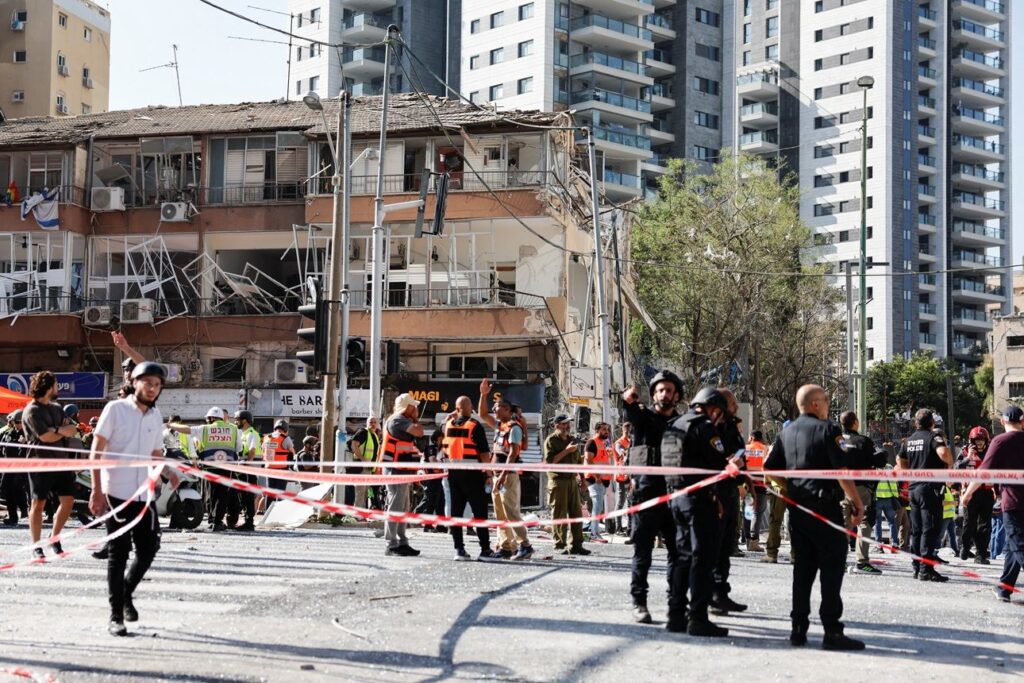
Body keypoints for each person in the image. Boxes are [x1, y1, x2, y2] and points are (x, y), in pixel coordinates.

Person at [765, 384, 866, 651]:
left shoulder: (785, 433)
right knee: (832, 569)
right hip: (825, 509)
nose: (828, 406)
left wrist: (789, 490)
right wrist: (857, 502)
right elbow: (841, 470)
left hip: (799, 512)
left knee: (802, 570)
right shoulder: (828, 430)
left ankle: (798, 629)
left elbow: (769, 468)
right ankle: (831, 630)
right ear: (815, 404)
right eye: (826, 401)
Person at [88, 361, 175, 637]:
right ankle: (116, 615)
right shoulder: (115, 410)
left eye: (157, 385)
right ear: (135, 382)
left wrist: (170, 473)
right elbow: (96, 450)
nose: (152, 388)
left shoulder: (155, 416)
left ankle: (126, 591)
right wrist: (96, 490)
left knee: (149, 548)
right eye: (148, 383)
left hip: (144, 495)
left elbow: (155, 453)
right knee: (119, 553)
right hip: (116, 492)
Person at [661, 387, 732, 637]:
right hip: (699, 501)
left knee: (682, 557)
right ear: (712, 408)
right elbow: (719, 464)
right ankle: (698, 617)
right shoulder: (704, 427)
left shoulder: (674, 424)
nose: (718, 418)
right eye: (719, 413)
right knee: (702, 560)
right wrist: (732, 465)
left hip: (675, 498)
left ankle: (675, 615)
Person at [621, 370, 683, 624]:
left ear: (676, 395)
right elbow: (629, 409)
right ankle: (639, 603)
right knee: (643, 553)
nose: (664, 394)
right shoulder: (643, 417)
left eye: (669, 390)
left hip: (675, 495)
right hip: (646, 494)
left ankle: (676, 604)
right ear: (654, 394)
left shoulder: (682, 424)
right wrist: (628, 399)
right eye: (660, 390)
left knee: (678, 554)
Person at [963, 406, 1024, 602]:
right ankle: (1004, 588)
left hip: (1014, 503)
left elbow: (984, 472)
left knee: (1019, 546)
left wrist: (968, 493)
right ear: (1022, 422)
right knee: (1012, 546)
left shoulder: (999, 441)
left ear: (1002, 422)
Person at [21, 371, 80, 558]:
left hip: (61, 462)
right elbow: (45, 437)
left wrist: (56, 429)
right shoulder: (32, 410)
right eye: (55, 384)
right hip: (40, 463)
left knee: (68, 501)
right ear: (47, 387)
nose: (57, 387)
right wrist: (60, 431)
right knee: (38, 504)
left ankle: (54, 537)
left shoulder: (57, 408)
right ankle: (36, 546)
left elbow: (72, 429)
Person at [478, 379, 534, 560]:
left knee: (511, 512)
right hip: (498, 476)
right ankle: (506, 546)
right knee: (500, 514)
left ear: (507, 410)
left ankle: (525, 545)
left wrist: (502, 475)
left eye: (497, 407)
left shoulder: (514, 428)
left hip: (507, 476)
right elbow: (482, 414)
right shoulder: (500, 426)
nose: (494, 410)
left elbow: (513, 453)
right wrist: (483, 395)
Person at [897, 408, 953, 581]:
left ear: (916, 423)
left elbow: (900, 460)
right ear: (932, 423)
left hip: (914, 488)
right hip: (930, 488)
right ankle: (926, 569)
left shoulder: (909, 441)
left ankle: (916, 567)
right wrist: (950, 464)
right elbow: (943, 453)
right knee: (930, 528)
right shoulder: (933, 437)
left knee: (917, 529)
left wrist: (909, 473)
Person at [440, 396, 499, 560]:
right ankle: (485, 550)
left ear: (457, 409)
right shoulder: (474, 425)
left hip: (454, 473)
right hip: (473, 474)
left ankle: (459, 549)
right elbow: (484, 454)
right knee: (479, 511)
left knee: (456, 512)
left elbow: (444, 433)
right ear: (471, 408)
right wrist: (489, 474)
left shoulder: (448, 426)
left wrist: (450, 416)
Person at [169, 408, 244, 532]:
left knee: (212, 494)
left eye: (208, 419)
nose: (207, 420)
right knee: (222, 495)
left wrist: (171, 425)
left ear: (211, 418)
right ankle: (217, 521)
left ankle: (213, 520)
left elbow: (187, 429)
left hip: (210, 467)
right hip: (227, 467)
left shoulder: (204, 429)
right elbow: (239, 448)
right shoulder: (233, 429)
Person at [709, 387, 749, 615]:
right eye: (732, 403)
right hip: (713, 493)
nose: (736, 407)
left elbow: (739, 453)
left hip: (730, 490)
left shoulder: (732, 427)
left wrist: (743, 478)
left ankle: (720, 594)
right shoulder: (708, 427)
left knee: (725, 548)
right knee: (712, 548)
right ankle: (707, 597)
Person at [838, 411, 885, 574]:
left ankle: (839, 561)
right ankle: (862, 561)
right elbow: (879, 459)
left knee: (843, 523)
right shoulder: (863, 441)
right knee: (865, 521)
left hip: (840, 487)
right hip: (861, 487)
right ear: (855, 423)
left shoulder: (838, 441)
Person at [380, 393, 424, 557]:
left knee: (403, 507)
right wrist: (416, 420)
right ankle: (391, 544)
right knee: (396, 507)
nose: (416, 408)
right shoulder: (397, 420)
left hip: (402, 470)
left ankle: (401, 542)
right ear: (408, 407)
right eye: (414, 406)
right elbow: (419, 432)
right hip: (395, 470)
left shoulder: (402, 420)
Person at [544, 414, 587, 556]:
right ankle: (559, 544)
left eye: (568, 424)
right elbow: (550, 462)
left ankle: (576, 545)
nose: (567, 426)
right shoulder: (551, 440)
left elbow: (578, 463)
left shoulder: (572, 440)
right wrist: (567, 451)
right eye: (564, 424)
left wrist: (583, 481)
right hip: (558, 481)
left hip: (572, 481)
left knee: (576, 514)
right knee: (559, 513)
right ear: (557, 425)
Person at [956, 426, 994, 563]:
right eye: (977, 440)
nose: (979, 442)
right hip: (970, 493)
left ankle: (981, 554)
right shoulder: (965, 452)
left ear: (986, 440)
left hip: (987, 492)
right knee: (969, 523)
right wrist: (967, 458)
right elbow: (956, 467)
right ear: (971, 441)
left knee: (984, 525)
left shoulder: (991, 452)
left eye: (982, 440)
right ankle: (965, 546)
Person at [583, 422, 613, 544]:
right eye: (604, 429)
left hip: (602, 480)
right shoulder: (592, 442)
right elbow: (588, 459)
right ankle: (594, 534)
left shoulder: (604, 443)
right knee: (597, 507)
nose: (606, 432)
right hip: (595, 479)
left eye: (607, 429)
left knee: (599, 507)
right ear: (597, 430)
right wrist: (596, 476)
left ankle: (595, 533)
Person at [234, 410, 262, 529]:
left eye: (237, 419)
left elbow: (252, 451)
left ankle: (249, 522)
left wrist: (246, 465)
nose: (235, 422)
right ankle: (245, 519)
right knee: (243, 494)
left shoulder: (252, 433)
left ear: (244, 420)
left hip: (249, 469)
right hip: (243, 467)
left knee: (248, 495)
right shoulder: (242, 433)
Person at [415, 431, 446, 533]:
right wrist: (445, 465)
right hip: (430, 478)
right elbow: (433, 462)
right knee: (431, 501)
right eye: (441, 439)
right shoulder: (431, 448)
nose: (442, 441)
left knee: (441, 501)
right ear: (436, 439)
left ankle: (440, 525)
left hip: (439, 478)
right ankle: (427, 525)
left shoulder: (442, 450)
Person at [0, 410, 28, 526]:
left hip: (21, 467)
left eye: (20, 422)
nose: (17, 424)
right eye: (15, 422)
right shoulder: (9, 433)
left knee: (16, 489)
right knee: (7, 490)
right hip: (8, 466)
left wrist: (25, 443)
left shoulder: (29, 435)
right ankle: (13, 516)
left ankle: (22, 511)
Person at [743, 430, 769, 551]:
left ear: (752, 437)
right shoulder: (765, 449)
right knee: (758, 513)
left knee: (748, 511)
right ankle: (754, 541)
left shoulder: (745, 448)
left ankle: (747, 539)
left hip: (747, 485)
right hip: (760, 485)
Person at [351, 417, 382, 510]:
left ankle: (362, 512)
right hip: (361, 467)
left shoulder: (374, 435)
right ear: (366, 423)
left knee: (365, 493)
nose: (372, 424)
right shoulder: (363, 432)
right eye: (370, 422)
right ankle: (357, 514)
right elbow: (354, 445)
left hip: (369, 468)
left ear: (377, 424)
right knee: (360, 492)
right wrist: (363, 460)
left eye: (374, 422)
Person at [609, 422, 631, 536]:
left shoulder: (631, 441)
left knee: (630, 502)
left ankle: (630, 528)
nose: (628, 432)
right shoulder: (619, 443)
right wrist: (625, 451)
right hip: (621, 476)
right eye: (626, 430)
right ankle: (618, 528)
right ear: (623, 430)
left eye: (629, 430)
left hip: (630, 475)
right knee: (621, 502)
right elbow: (621, 452)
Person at [262, 420, 295, 492]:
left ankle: (268, 500)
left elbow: (263, 451)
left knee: (270, 493)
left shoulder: (266, 438)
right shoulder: (285, 438)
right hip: (282, 470)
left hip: (269, 469)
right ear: (285, 429)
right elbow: (292, 452)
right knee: (280, 493)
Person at [874, 464, 901, 548]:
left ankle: (879, 545)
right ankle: (894, 543)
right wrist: (895, 496)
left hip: (877, 498)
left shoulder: (874, 467)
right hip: (888, 498)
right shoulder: (889, 467)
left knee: (877, 522)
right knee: (891, 522)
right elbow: (893, 483)